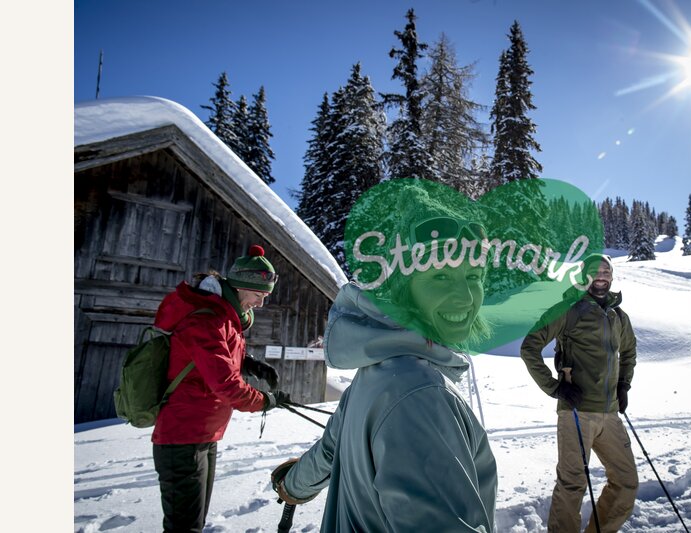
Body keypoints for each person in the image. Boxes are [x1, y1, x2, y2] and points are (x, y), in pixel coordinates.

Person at [270, 186, 498, 532]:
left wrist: (294, 485)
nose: (466, 297)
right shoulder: (420, 394)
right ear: (403, 287)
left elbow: (331, 449)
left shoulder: (379, 370)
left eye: (473, 277)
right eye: (440, 276)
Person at [152, 244, 290, 532]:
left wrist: (250, 364)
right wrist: (265, 400)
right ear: (240, 286)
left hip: (203, 434)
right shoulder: (208, 319)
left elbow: (217, 359)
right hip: (182, 437)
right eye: (258, 295)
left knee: (195, 523)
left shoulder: (225, 318)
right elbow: (227, 386)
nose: (261, 304)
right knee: (184, 527)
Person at [520, 253, 639, 533]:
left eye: (606, 272)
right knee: (573, 483)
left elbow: (629, 352)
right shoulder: (567, 309)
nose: (601, 277)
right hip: (577, 411)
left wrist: (624, 385)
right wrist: (555, 387)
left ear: (612, 277)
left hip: (610, 414)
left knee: (626, 482)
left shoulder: (618, 315)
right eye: (595, 271)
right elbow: (529, 347)